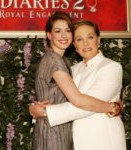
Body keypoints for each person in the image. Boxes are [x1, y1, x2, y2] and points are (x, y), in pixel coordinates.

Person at [30, 11, 123, 150]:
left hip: (102, 138)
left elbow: (85, 106)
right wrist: (33, 108)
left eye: (90, 37)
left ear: (98, 40)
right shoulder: (72, 68)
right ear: (74, 44)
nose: (85, 43)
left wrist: (45, 112)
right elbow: (56, 97)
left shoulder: (111, 68)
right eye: (79, 39)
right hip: (75, 141)